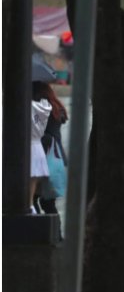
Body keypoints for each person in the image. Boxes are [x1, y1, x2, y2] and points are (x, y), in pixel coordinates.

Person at [33, 81, 68, 214]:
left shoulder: (41, 107)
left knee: (32, 199)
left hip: (44, 156)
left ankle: (38, 230)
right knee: (47, 202)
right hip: (56, 157)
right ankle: (56, 233)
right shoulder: (55, 107)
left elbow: (42, 134)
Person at [30, 82, 53, 214]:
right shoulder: (45, 107)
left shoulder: (29, 107)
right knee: (31, 192)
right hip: (38, 148)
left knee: (28, 196)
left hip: (29, 148)